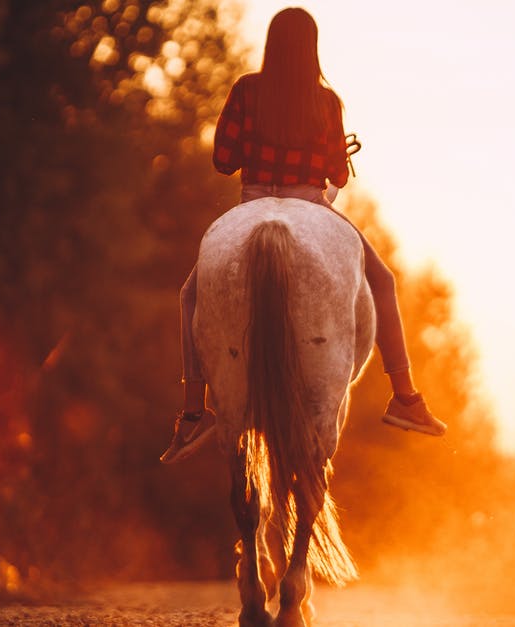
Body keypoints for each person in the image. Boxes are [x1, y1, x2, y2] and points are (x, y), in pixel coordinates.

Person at [160, 7, 446, 464]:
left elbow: (223, 160)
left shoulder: (246, 90)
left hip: (251, 201)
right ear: (312, 48)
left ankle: (194, 412)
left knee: (190, 295)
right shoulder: (326, 102)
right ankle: (406, 398)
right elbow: (337, 175)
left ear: (271, 44)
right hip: (313, 202)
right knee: (384, 282)